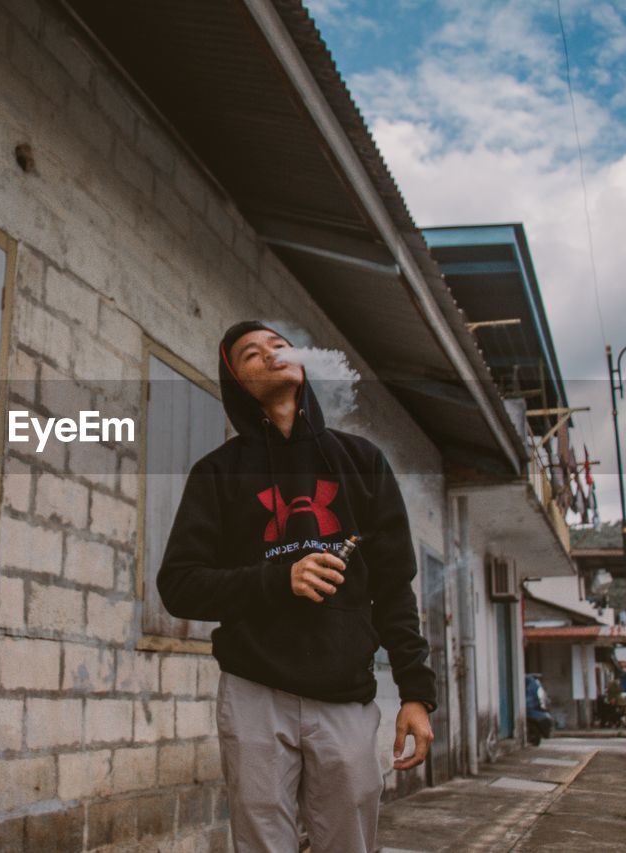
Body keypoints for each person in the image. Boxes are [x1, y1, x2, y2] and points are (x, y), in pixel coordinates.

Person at [157, 320, 437, 852]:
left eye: (279, 346)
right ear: (235, 380)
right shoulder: (217, 473)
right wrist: (277, 579)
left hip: (346, 695)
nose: (268, 355)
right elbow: (180, 585)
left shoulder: (362, 462)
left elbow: (396, 588)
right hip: (254, 689)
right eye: (249, 354)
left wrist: (416, 693)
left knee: (349, 845)